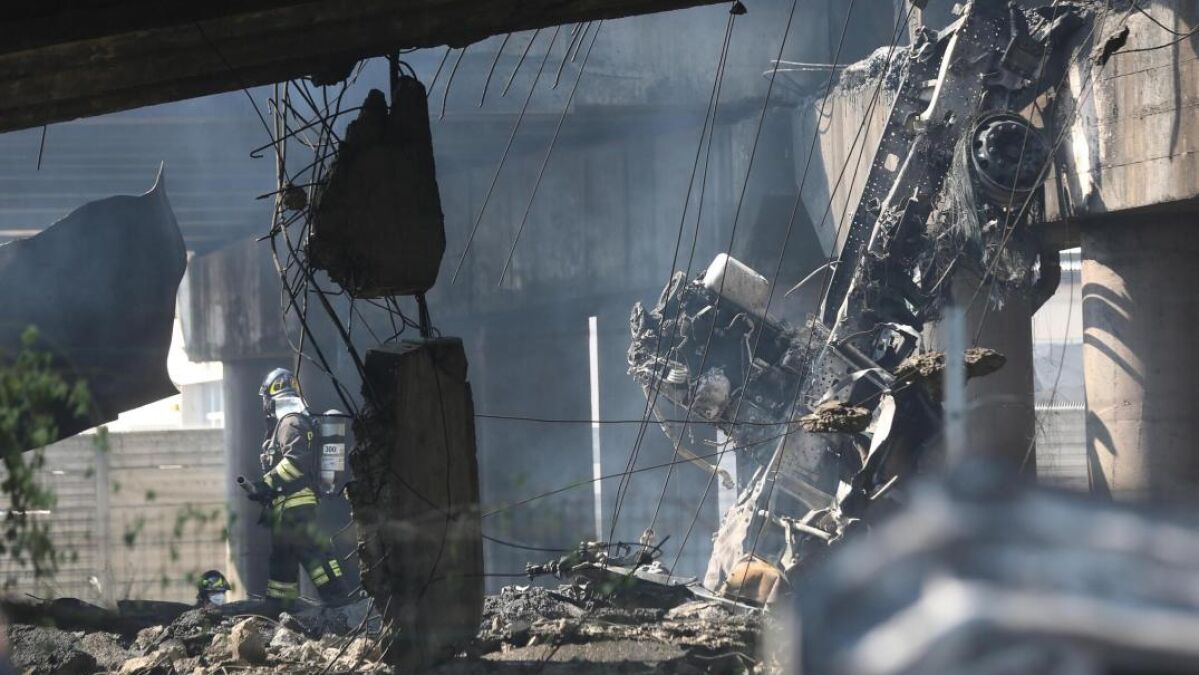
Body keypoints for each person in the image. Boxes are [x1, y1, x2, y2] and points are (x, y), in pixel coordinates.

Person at [243, 368, 348, 606]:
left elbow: (296, 462)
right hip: (285, 509)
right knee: (283, 560)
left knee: (313, 555)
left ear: (272, 399)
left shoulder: (291, 422)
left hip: (296, 507)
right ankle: (280, 604)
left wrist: (265, 484)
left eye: (265, 399)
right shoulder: (289, 422)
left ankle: (339, 602)